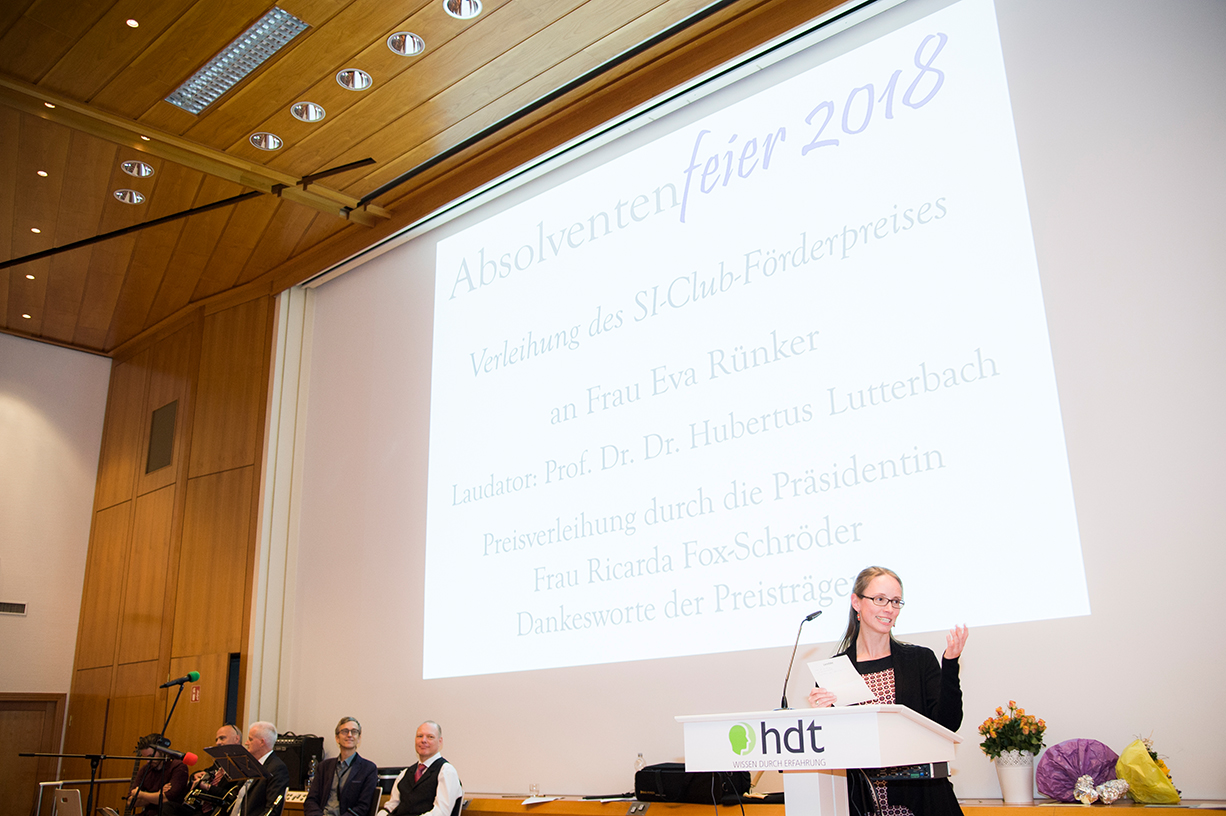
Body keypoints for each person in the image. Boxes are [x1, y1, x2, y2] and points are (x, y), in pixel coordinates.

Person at [808, 566, 969, 816]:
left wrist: (950, 663)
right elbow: (833, 749)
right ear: (856, 603)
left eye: (895, 601)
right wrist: (821, 716)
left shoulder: (919, 660)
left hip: (922, 802)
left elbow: (948, 725)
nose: (889, 609)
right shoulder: (834, 670)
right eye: (880, 599)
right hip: (862, 804)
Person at [378, 722, 462, 816]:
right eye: (420, 736)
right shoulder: (405, 773)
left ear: (440, 741)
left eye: (430, 737)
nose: (423, 740)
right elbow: (391, 806)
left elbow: (441, 812)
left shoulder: (446, 771)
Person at [161, 724, 243, 816]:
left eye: (222, 738)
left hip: (218, 811)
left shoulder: (243, 766)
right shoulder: (220, 762)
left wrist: (208, 787)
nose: (218, 743)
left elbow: (232, 796)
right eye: (216, 739)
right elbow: (206, 772)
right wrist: (195, 776)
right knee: (169, 807)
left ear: (236, 739)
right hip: (200, 809)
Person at [304, 717, 379, 816]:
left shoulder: (368, 769)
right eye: (345, 731)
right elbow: (311, 801)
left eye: (354, 731)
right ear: (337, 738)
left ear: (359, 738)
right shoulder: (323, 767)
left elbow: (363, 807)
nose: (349, 735)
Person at [227, 721, 290, 816]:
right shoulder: (249, 764)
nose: (246, 743)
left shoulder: (277, 768)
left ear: (261, 742)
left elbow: (272, 810)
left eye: (250, 739)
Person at [127, 734, 189, 815]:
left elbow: (165, 799)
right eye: (146, 757)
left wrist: (141, 794)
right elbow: (130, 801)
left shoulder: (178, 766)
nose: (148, 761)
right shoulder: (145, 769)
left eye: (151, 756)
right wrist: (157, 793)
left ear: (162, 751)